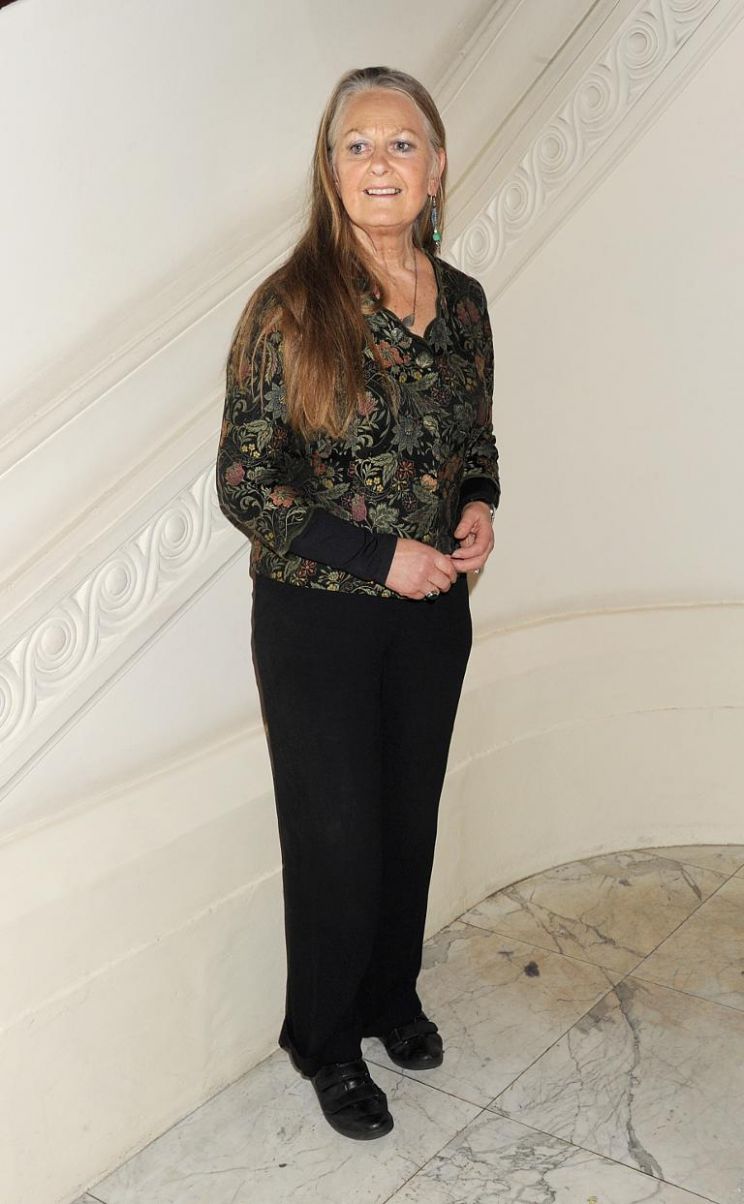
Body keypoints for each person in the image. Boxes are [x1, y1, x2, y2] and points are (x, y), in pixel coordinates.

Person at [216, 65, 500, 1141]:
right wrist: (383, 559)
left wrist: (478, 506)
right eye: (358, 144)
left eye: (402, 143)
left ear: (436, 166)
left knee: (406, 816)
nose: (381, 162)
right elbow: (246, 485)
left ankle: (389, 996)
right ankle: (326, 1040)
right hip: (319, 617)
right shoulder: (289, 307)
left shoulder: (463, 302)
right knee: (335, 830)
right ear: (330, 170)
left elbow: (475, 441)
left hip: (433, 614)